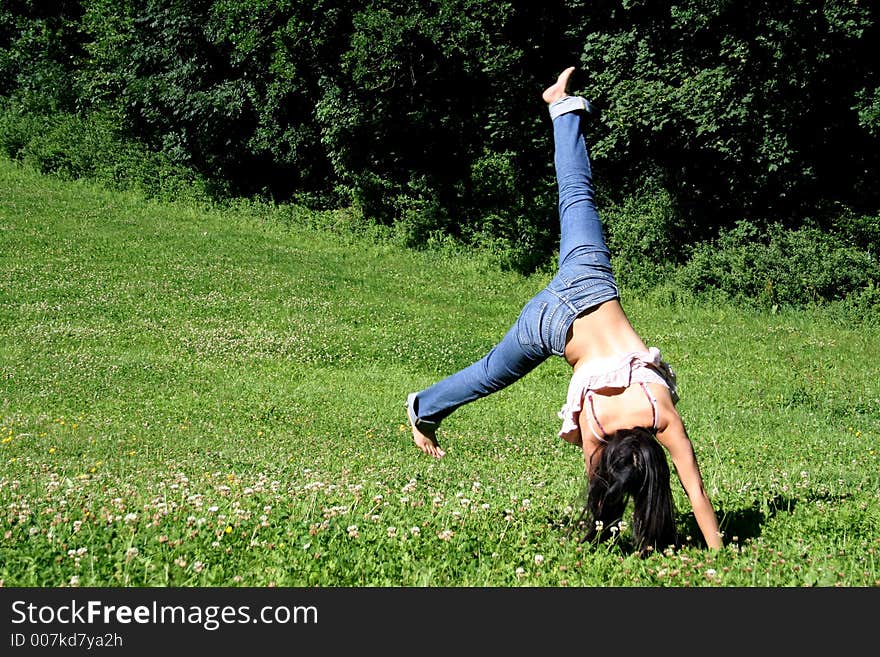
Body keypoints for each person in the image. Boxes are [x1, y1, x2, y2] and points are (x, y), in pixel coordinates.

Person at [405, 66, 722, 554]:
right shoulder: (595, 427)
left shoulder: (660, 412)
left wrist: (717, 548)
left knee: (577, 194)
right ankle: (423, 407)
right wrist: (718, 559)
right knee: (491, 372)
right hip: (551, 324)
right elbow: (687, 492)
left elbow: (696, 493)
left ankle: (562, 106)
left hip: (590, 280)